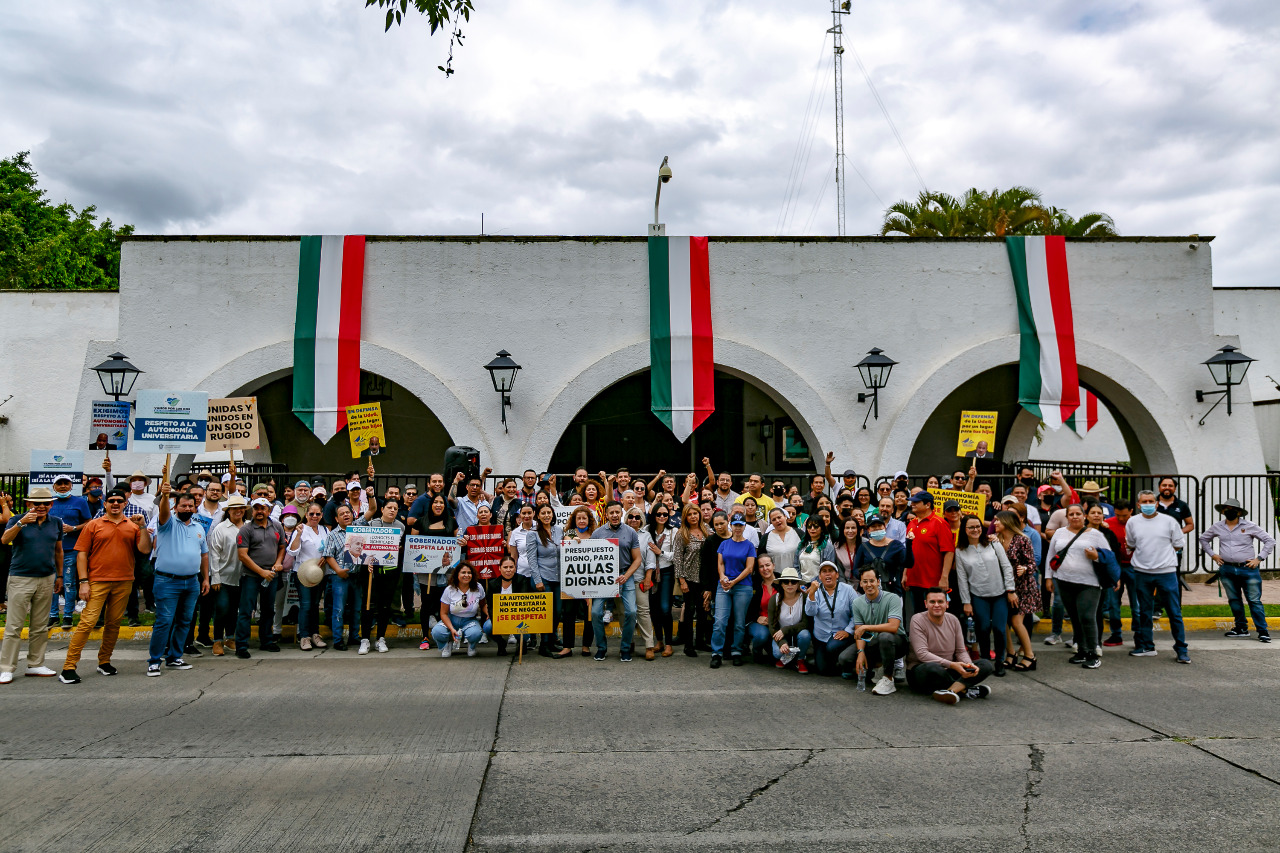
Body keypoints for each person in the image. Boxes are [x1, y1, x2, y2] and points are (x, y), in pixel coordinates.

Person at [61, 489, 152, 683]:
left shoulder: (133, 526)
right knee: (87, 622)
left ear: (125, 504)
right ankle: (68, 666)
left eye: (120, 501)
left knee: (114, 623)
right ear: (105, 503)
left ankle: (104, 661)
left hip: (124, 581)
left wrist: (143, 526)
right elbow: (82, 554)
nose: (116, 504)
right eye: (112, 501)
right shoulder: (94, 524)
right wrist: (83, 582)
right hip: (96, 581)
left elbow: (144, 549)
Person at [146, 483, 210, 676]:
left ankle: (175, 657)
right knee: (164, 621)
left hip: (191, 582)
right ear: (176, 507)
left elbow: (204, 555)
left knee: (184, 621)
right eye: (183, 506)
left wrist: (205, 579)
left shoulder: (199, 527)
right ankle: (155, 661)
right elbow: (164, 511)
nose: (188, 509)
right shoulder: (167, 523)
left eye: (191, 506)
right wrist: (165, 496)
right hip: (167, 582)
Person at [0, 486, 62, 681]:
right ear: (28, 504)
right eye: (37, 503)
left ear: (51, 505)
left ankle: (36, 664)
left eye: (45, 503)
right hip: (21, 577)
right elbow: (4, 540)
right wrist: (20, 523)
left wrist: (59, 576)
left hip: (46, 578)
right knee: (14, 626)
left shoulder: (56, 523)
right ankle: (7, 668)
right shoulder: (16, 519)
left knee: (40, 625)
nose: (41, 507)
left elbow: (58, 551)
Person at [1199, 497, 1274, 642]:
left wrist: (1259, 558)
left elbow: (1269, 541)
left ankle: (1263, 631)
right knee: (1234, 600)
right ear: (1222, 511)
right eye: (1226, 509)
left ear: (1239, 512)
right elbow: (1203, 539)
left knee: (1254, 600)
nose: (1229, 511)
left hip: (1247, 569)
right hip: (1227, 569)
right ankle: (1241, 628)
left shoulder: (1250, 526)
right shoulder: (1217, 526)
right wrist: (1213, 555)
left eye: (1233, 509)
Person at [1126, 490, 1188, 662]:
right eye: (1144, 501)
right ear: (1138, 505)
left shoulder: (1169, 521)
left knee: (1174, 612)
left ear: (1156, 503)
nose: (1148, 504)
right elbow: (1131, 544)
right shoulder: (1132, 522)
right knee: (1144, 612)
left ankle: (1181, 649)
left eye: (1151, 501)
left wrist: (1162, 559)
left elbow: (1178, 545)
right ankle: (1147, 645)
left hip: (1166, 573)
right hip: (1141, 573)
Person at [1047, 504, 1111, 669]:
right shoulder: (1059, 533)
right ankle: (1081, 651)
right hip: (1064, 581)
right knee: (1075, 618)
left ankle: (1092, 653)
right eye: (1071, 514)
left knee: (1087, 618)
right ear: (1067, 517)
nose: (1075, 517)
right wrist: (1049, 578)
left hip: (1089, 583)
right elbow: (1051, 555)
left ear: (1084, 516)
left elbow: (1108, 557)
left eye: (1078, 514)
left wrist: (1096, 556)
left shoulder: (1096, 535)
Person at [953, 514, 1017, 676]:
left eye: (977, 526)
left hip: (999, 594)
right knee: (983, 628)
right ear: (964, 530)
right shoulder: (960, 551)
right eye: (971, 527)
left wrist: (1010, 590)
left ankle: (1000, 661)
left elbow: (1007, 567)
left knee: (999, 628)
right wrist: (966, 602)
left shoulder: (993, 543)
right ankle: (986, 659)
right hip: (978, 595)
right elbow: (962, 579)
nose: (975, 530)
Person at [906, 588, 994, 704]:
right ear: (925, 604)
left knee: (986, 665)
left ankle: (951, 690)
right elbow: (922, 654)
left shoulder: (953, 620)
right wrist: (952, 665)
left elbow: (961, 651)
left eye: (940, 602)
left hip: (949, 670)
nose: (936, 605)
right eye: (932, 602)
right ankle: (965, 689)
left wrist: (969, 666)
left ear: (947, 604)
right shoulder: (917, 620)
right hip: (922, 670)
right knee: (933, 668)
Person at [842, 565, 908, 694]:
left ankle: (888, 678)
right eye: (865, 581)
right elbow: (860, 632)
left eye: (872, 581)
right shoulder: (857, 603)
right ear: (860, 583)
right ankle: (876, 666)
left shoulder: (892, 598)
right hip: (871, 640)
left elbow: (893, 627)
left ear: (878, 581)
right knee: (845, 658)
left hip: (896, 642)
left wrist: (866, 627)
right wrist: (860, 652)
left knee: (885, 636)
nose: (869, 585)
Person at [590, 502, 642, 662]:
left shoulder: (631, 532)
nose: (614, 515)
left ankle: (625, 648)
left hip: (624, 575)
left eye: (617, 512)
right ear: (606, 514)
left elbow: (638, 558)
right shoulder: (597, 533)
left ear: (621, 514)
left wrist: (626, 576)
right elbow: (589, 558)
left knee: (631, 612)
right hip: (603, 578)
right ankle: (601, 647)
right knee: (596, 613)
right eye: (611, 512)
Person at [992, 509, 1039, 671]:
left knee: (1016, 621)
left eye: (997, 520)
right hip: (1003, 586)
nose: (994, 523)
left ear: (1007, 522)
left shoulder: (1022, 540)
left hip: (1023, 587)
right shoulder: (995, 539)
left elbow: (1033, 563)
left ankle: (1030, 656)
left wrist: (1025, 568)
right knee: (1003, 621)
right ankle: (1010, 654)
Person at [46, 474, 92, 629]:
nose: (63, 486)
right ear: (54, 487)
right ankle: (53, 616)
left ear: (72, 486)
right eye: (59, 484)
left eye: (66, 483)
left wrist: (73, 528)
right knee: (52, 583)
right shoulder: (49, 503)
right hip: (51, 550)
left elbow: (88, 522)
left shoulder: (80, 502)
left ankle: (67, 615)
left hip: (71, 548)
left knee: (68, 582)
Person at [360, 497, 404, 654]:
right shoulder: (371, 524)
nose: (393, 510)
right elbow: (361, 547)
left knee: (385, 606)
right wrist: (366, 560)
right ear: (382, 509)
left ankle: (380, 638)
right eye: (390, 507)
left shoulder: (401, 526)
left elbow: (400, 550)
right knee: (368, 606)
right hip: (372, 573)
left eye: (396, 508)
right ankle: (365, 639)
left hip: (390, 573)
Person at [711, 515, 756, 668]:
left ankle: (736, 651)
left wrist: (734, 581)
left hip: (742, 586)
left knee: (739, 622)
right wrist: (723, 577)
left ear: (744, 526)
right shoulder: (724, 544)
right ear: (731, 526)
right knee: (720, 621)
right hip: (724, 585)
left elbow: (749, 568)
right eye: (735, 525)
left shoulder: (749, 545)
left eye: (740, 525)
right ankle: (716, 652)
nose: (737, 528)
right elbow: (720, 563)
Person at [528, 505, 572, 658]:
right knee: (546, 612)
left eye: (549, 513)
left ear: (552, 515)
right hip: (543, 578)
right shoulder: (532, 534)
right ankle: (544, 644)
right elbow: (532, 560)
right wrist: (538, 580)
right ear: (538, 516)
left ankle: (552, 640)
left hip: (559, 577)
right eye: (543, 513)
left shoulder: (559, 530)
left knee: (557, 611)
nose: (547, 515)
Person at [208, 494, 249, 656]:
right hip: (223, 577)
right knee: (222, 609)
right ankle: (217, 640)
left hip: (243, 577)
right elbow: (214, 554)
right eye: (234, 508)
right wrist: (215, 577)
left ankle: (230, 637)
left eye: (241, 508)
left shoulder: (248, 527)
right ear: (229, 511)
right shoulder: (221, 529)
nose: (238, 511)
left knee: (234, 610)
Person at [904, 492, 954, 617]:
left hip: (933, 581)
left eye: (916, 502)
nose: (912, 504)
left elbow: (949, 551)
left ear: (927, 504)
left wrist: (944, 577)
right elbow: (909, 550)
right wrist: (905, 573)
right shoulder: (912, 523)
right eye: (912, 502)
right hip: (914, 579)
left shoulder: (940, 523)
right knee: (918, 615)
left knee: (935, 616)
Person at [805, 560, 857, 676]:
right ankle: (834, 662)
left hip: (842, 633)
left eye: (831, 571)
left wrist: (848, 631)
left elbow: (857, 615)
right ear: (819, 576)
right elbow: (810, 612)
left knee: (832, 647)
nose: (827, 574)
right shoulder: (816, 591)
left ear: (837, 574)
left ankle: (846, 662)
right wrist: (811, 594)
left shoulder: (848, 590)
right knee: (823, 671)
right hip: (822, 635)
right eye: (824, 571)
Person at [672, 503, 711, 658]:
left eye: (696, 513)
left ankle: (700, 641)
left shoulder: (707, 530)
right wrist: (681, 580)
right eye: (690, 514)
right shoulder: (682, 533)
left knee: (703, 611)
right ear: (685, 517)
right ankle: (688, 645)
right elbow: (678, 558)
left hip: (705, 577)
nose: (693, 516)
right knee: (689, 611)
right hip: (689, 577)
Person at [560, 505, 597, 656]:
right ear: (574, 520)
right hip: (571, 579)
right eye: (579, 518)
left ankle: (586, 646)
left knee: (590, 613)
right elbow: (567, 542)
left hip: (591, 579)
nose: (582, 521)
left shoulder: (595, 534)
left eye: (584, 518)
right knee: (569, 612)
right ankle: (567, 646)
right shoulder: (569, 533)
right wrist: (572, 541)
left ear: (589, 520)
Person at [429, 561, 486, 656]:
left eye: (469, 573)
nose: (466, 575)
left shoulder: (478, 587)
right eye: (463, 572)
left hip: (470, 620)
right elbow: (443, 613)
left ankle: (471, 645)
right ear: (457, 575)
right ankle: (447, 643)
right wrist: (452, 629)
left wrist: (488, 614)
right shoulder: (449, 589)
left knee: (476, 633)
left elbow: (483, 604)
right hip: (452, 619)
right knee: (437, 632)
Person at [484, 555, 534, 656]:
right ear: (500, 568)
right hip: (500, 617)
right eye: (505, 567)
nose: (508, 570)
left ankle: (522, 643)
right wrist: (496, 621)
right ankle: (501, 643)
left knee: (521, 629)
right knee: (488, 627)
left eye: (511, 567)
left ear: (515, 568)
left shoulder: (522, 580)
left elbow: (523, 602)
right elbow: (491, 605)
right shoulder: (493, 584)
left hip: (518, 616)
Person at [854, 513, 911, 599]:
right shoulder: (863, 547)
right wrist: (867, 578)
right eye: (873, 527)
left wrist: (909, 543)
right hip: (868, 594)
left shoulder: (896, 545)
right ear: (868, 530)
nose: (877, 528)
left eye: (879, 525)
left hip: (892, 592)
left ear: (884, 527)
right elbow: (855, 569)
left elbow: (909, 563)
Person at [767, 566, 812, 672]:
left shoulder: (804, 598)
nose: (790, 585)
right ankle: (787, 657)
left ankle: (800, 659)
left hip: (798, 633)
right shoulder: (774, 599)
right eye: (786, 582)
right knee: (777, 653)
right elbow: (772, 626)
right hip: (781, 635)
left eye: (793, 582)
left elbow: (806, 623)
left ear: (798, 584)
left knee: (805, 635)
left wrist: (785, 630)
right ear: (781, 584)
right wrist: (782, 642)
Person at [744, 554, 780, 662]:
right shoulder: (754, 583)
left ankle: (770, 647)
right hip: (759, 622)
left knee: (776, 656)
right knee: (761, 635)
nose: (765, 569)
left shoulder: (783, 582)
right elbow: (747, 607)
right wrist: (756, 618)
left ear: (773, 565)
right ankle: (757, 649)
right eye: (761, 566)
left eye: (767, 565)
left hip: (778, 623)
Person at [795, 516, 835, 585]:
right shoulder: (802, 545)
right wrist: (800, 582)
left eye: (816, 526)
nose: (812, 529)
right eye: (809, 527)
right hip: (802, 584)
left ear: (822, 528)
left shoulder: (828, 547)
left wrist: (816, 584)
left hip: (820, 584)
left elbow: (829, 568)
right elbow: (796, 566)